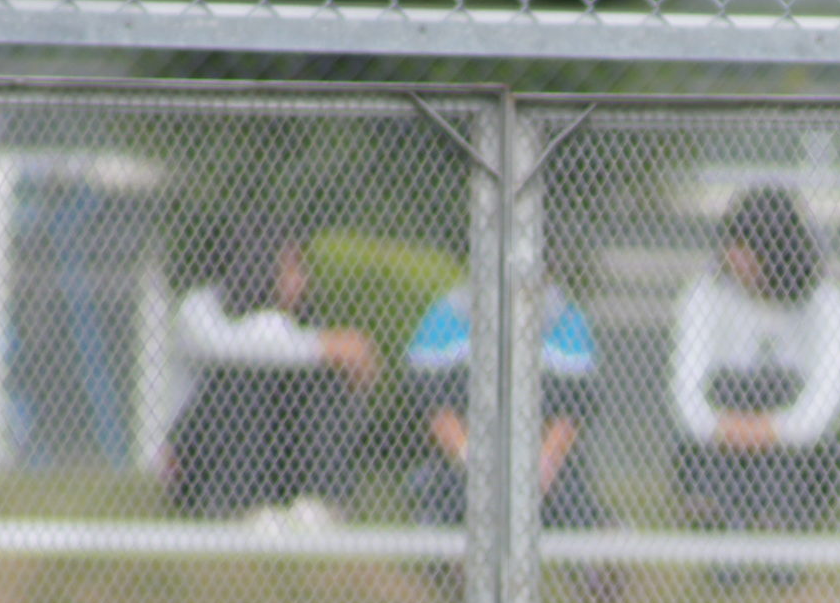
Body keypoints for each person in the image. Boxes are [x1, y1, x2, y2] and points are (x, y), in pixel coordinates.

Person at [164, 218, 379, 526]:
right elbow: (233, 346)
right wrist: (324, 347)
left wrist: (339, 360)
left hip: (272, 460)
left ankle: (320, 502)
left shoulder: (294, 324)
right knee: (243, 377)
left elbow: (300, 350)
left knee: (317, 377)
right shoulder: (199, 307)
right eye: (291, 270)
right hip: (197, 460)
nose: (301, 282)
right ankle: (239, 506)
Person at [672, 186, 840, 532]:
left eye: (748, 248)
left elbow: (828, 397)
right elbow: (687, 390)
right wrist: (723, 428)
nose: (734, 258)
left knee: (781, 387)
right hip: (719, 447)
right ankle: (717, 523)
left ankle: (779, 522)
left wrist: (772, 430)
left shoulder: (827, 303)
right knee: (729, 386)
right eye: (733, 245)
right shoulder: (704, 295)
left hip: (795, 455)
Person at [401, 281, 606, 530]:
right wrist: (474, 461)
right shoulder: (449, 314)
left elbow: (570, 412)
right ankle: (450, 559)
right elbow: (435, 407)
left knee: (571, 494)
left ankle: (595, 554)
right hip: (466, 456)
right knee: (447, 489)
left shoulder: (565, 318)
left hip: (540, 456)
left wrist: (541, 467)